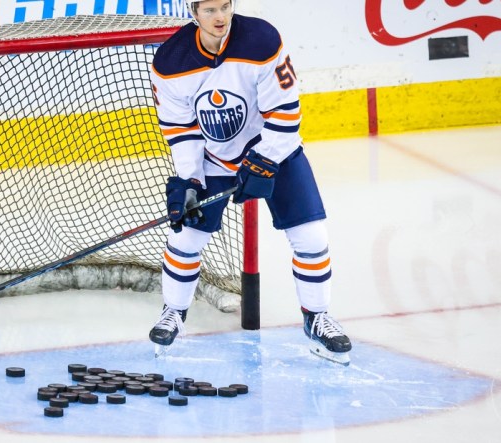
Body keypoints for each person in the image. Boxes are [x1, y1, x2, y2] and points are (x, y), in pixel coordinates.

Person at [148, 0, 352, 364]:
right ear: (193, 13)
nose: (220, 17)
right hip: (214, 158)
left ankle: (317, 318)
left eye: (225, 6)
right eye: (209, 10)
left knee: (311, 236)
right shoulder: (170, 62)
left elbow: (286, 114)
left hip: (276, 150)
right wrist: (190, 181)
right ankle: (173, 315)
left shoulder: (260, 40)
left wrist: (263, 163)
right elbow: (181, 131)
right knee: (186, 236)